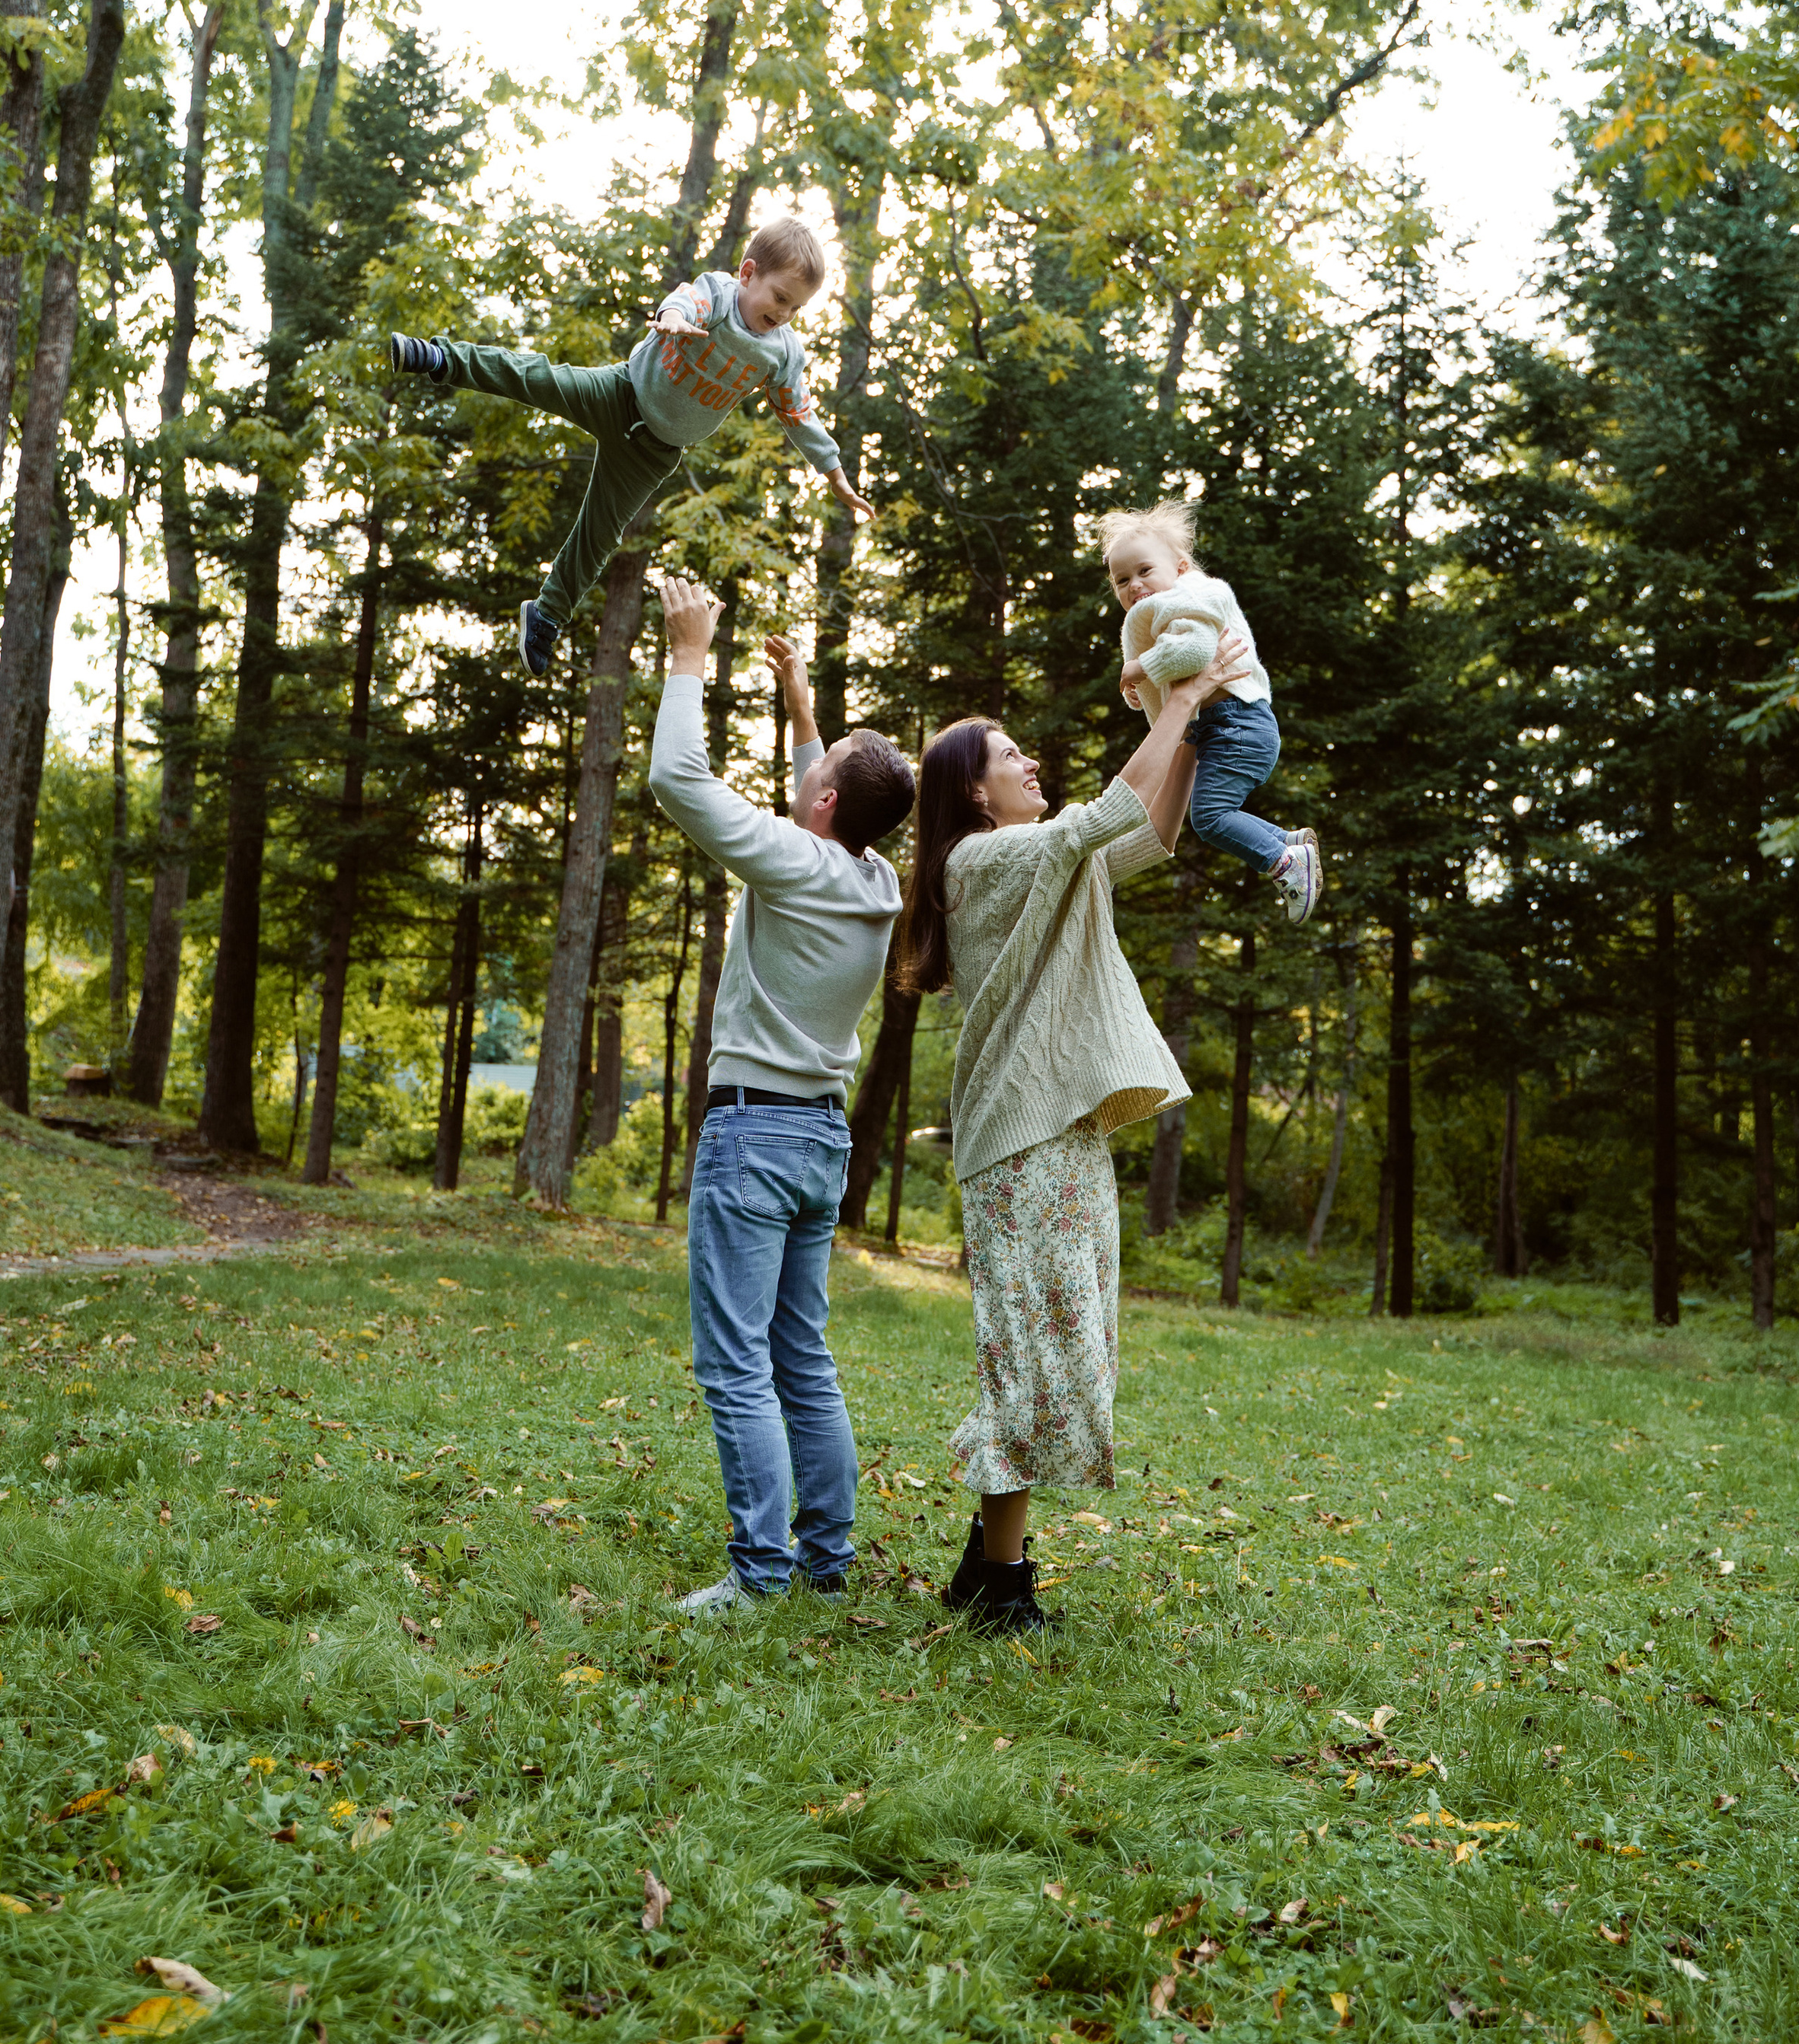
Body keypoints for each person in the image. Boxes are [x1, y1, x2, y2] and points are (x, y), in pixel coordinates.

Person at [891, 630, 1251, 1631]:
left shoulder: (1038, 857)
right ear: (972, 791)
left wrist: (1183, 721)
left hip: (1061, 1132)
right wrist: (1177, 700)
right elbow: (1110, 812)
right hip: (1022, 1139)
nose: (1029, 762)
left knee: (1063, 1352)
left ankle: (983, 1562)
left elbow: (1148, 830)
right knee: (1032, 1362)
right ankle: (1001, 1595)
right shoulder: (983, 860)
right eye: (1010, 755)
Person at [646, 572, 914, 1613]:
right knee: (802, 1357)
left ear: (826, 806)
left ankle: (758, 1579)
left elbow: (678, 778)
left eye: (824, 764)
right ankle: (825, 1565)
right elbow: (828, 794)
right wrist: (804, 708)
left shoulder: (795, 861)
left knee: (737, 1367)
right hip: (820, 1145)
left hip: (754, 1138)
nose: (814, 766)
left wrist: (688, 654)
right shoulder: (873, 879)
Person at [390, 215, 873, 681]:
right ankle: (438, 357)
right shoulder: (720, 295)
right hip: (621, 395)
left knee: (599, 535)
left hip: (655, 451)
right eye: (780, 298)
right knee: (537, 379)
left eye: (797, 309)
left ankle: (545, 615)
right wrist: (673, 319)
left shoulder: (783, 351)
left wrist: (834, 474)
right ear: (748, 273)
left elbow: (798, 413)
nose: (784, 315)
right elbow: (684, 301)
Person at [1103, 499, 1321, 923]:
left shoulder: (1198, 594)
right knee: (1213, 815)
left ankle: (1284, 862)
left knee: (1210, 818)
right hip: (1224, 728)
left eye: (1145, 571)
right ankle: (1285, 839)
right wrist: (1142, 687)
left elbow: (1192, 652)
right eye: (1121, 579)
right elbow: (1181, 674)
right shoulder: (1168, 607)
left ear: (1181, 569)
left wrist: (1137, 667)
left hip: (1238, 724)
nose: (1133, 585)